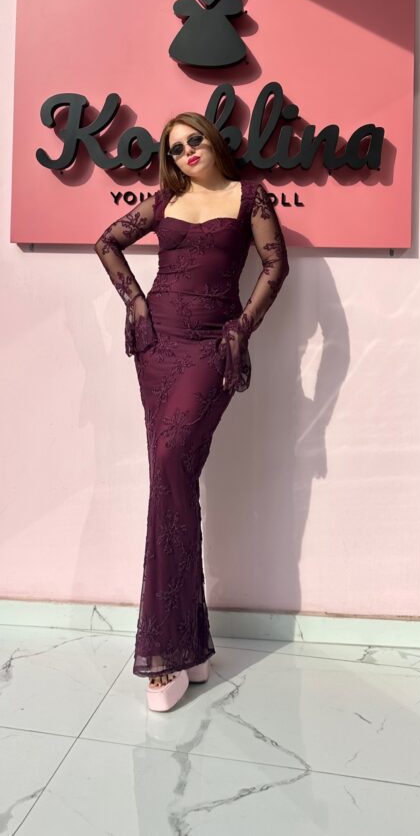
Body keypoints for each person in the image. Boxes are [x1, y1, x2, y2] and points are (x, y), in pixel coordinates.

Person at [94, 112, 290, 711]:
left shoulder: (249, 198)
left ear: (212, 140)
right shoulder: (164, 203)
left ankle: (170, 649)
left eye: (194, 140)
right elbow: (106, 242)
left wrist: (242, 327)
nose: (187, 153)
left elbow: (276, 265)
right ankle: (190, 647)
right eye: (176, 149)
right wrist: (136, 304)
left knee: (170, 463)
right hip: (157, 347)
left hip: (210, 347)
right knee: (171, 476)